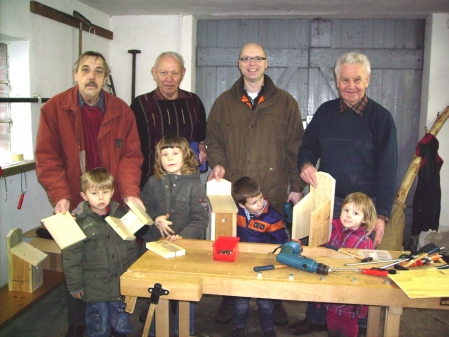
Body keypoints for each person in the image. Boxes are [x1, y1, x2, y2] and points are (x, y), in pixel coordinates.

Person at [35, 51, 144, 337]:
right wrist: (60, 196)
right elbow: (48, 158)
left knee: (113, 255)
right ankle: (77, 324)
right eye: (85, 70)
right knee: (76, 257)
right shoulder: (54, 109)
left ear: (105, 78)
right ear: (75, 75)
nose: (91, 76)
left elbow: (131, 156)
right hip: (75, 201)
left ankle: (119, 317)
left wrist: (130, 193)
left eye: (98, 71)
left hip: (113, 200)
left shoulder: (122, 110)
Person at [292, 51, 398, 336]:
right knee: (321, 258)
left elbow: (389, 169)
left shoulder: (381, 118)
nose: (351, 85)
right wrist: (304, 165)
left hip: (366, 207)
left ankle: (359, 322)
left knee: (358, 265)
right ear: (336, 80)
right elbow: (307, 147)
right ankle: (316, 317)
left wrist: (382, 215)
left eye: (357, 79)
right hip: (330, 202)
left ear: (368, 80)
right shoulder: (325, 113)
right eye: (345, 80)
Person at [205, 42, 305, 326]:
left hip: (269, 194)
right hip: (234, 195)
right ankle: (229, 297)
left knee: (272, 248)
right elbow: (213, 140)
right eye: (246, 58)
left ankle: (273, 301)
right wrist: (217, 163)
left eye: (257, 58)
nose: (252, 63)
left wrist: (296, 186)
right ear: (239, 63)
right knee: (231, 247)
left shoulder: (285, 103)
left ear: (266, 63)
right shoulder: (224, 103)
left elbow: (295, 147)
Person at [140, 134, 210, 337]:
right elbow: (145, 208)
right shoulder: (153, 182)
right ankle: (154, 331)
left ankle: (184, 331)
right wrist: (156, 219)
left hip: (185, 250)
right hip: (156, 247)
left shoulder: (194, 185)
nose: (170, 158)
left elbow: (200, 218)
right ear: (159, 158)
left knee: (184, 294)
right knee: (155, 291)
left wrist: (183, 237)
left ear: (185, 155)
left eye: (175, 153)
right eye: (165, 154)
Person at [62, 168, 139, 337]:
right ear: (84, 196)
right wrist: (74, 286)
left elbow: (131, 246)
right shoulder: (78, 222)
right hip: (93, 287)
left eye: (105, 192)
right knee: (98, 326)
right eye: (94, 193)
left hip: (119, 284)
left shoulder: (121, 215)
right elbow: (71, 257)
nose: (101, 197)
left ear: (112, 192)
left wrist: (133, 276)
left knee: (121, 323)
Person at [130, 51, 207, 189]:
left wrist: (202, 146)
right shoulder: (140, 104)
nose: (169, 79)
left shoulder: (194, 102)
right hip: (151, 184)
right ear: (155, 73)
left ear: (183, 73)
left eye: (175, 73)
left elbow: (201, 137)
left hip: (187, 184)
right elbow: (132, 147)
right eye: (163, 73)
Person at [231, 177, 289, 337]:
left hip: (265, 264)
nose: (260, 204)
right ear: (242, 205)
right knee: (241, 301)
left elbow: (281, 242)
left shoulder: (273, 218)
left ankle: (268, 329)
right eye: (254, 202)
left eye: (261, 198)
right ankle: (239, 327)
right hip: (242, 263)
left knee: (265, 301)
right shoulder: (236, 213)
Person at [324, 192, 375, 337]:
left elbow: (367, 266)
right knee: (331, 318)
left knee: (348, 322)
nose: (348, 215)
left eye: (355, 213)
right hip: (332, 282)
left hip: (351, 288)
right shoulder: (333, 228)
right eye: (346, 210)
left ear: (364, 218)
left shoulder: (364, 241)